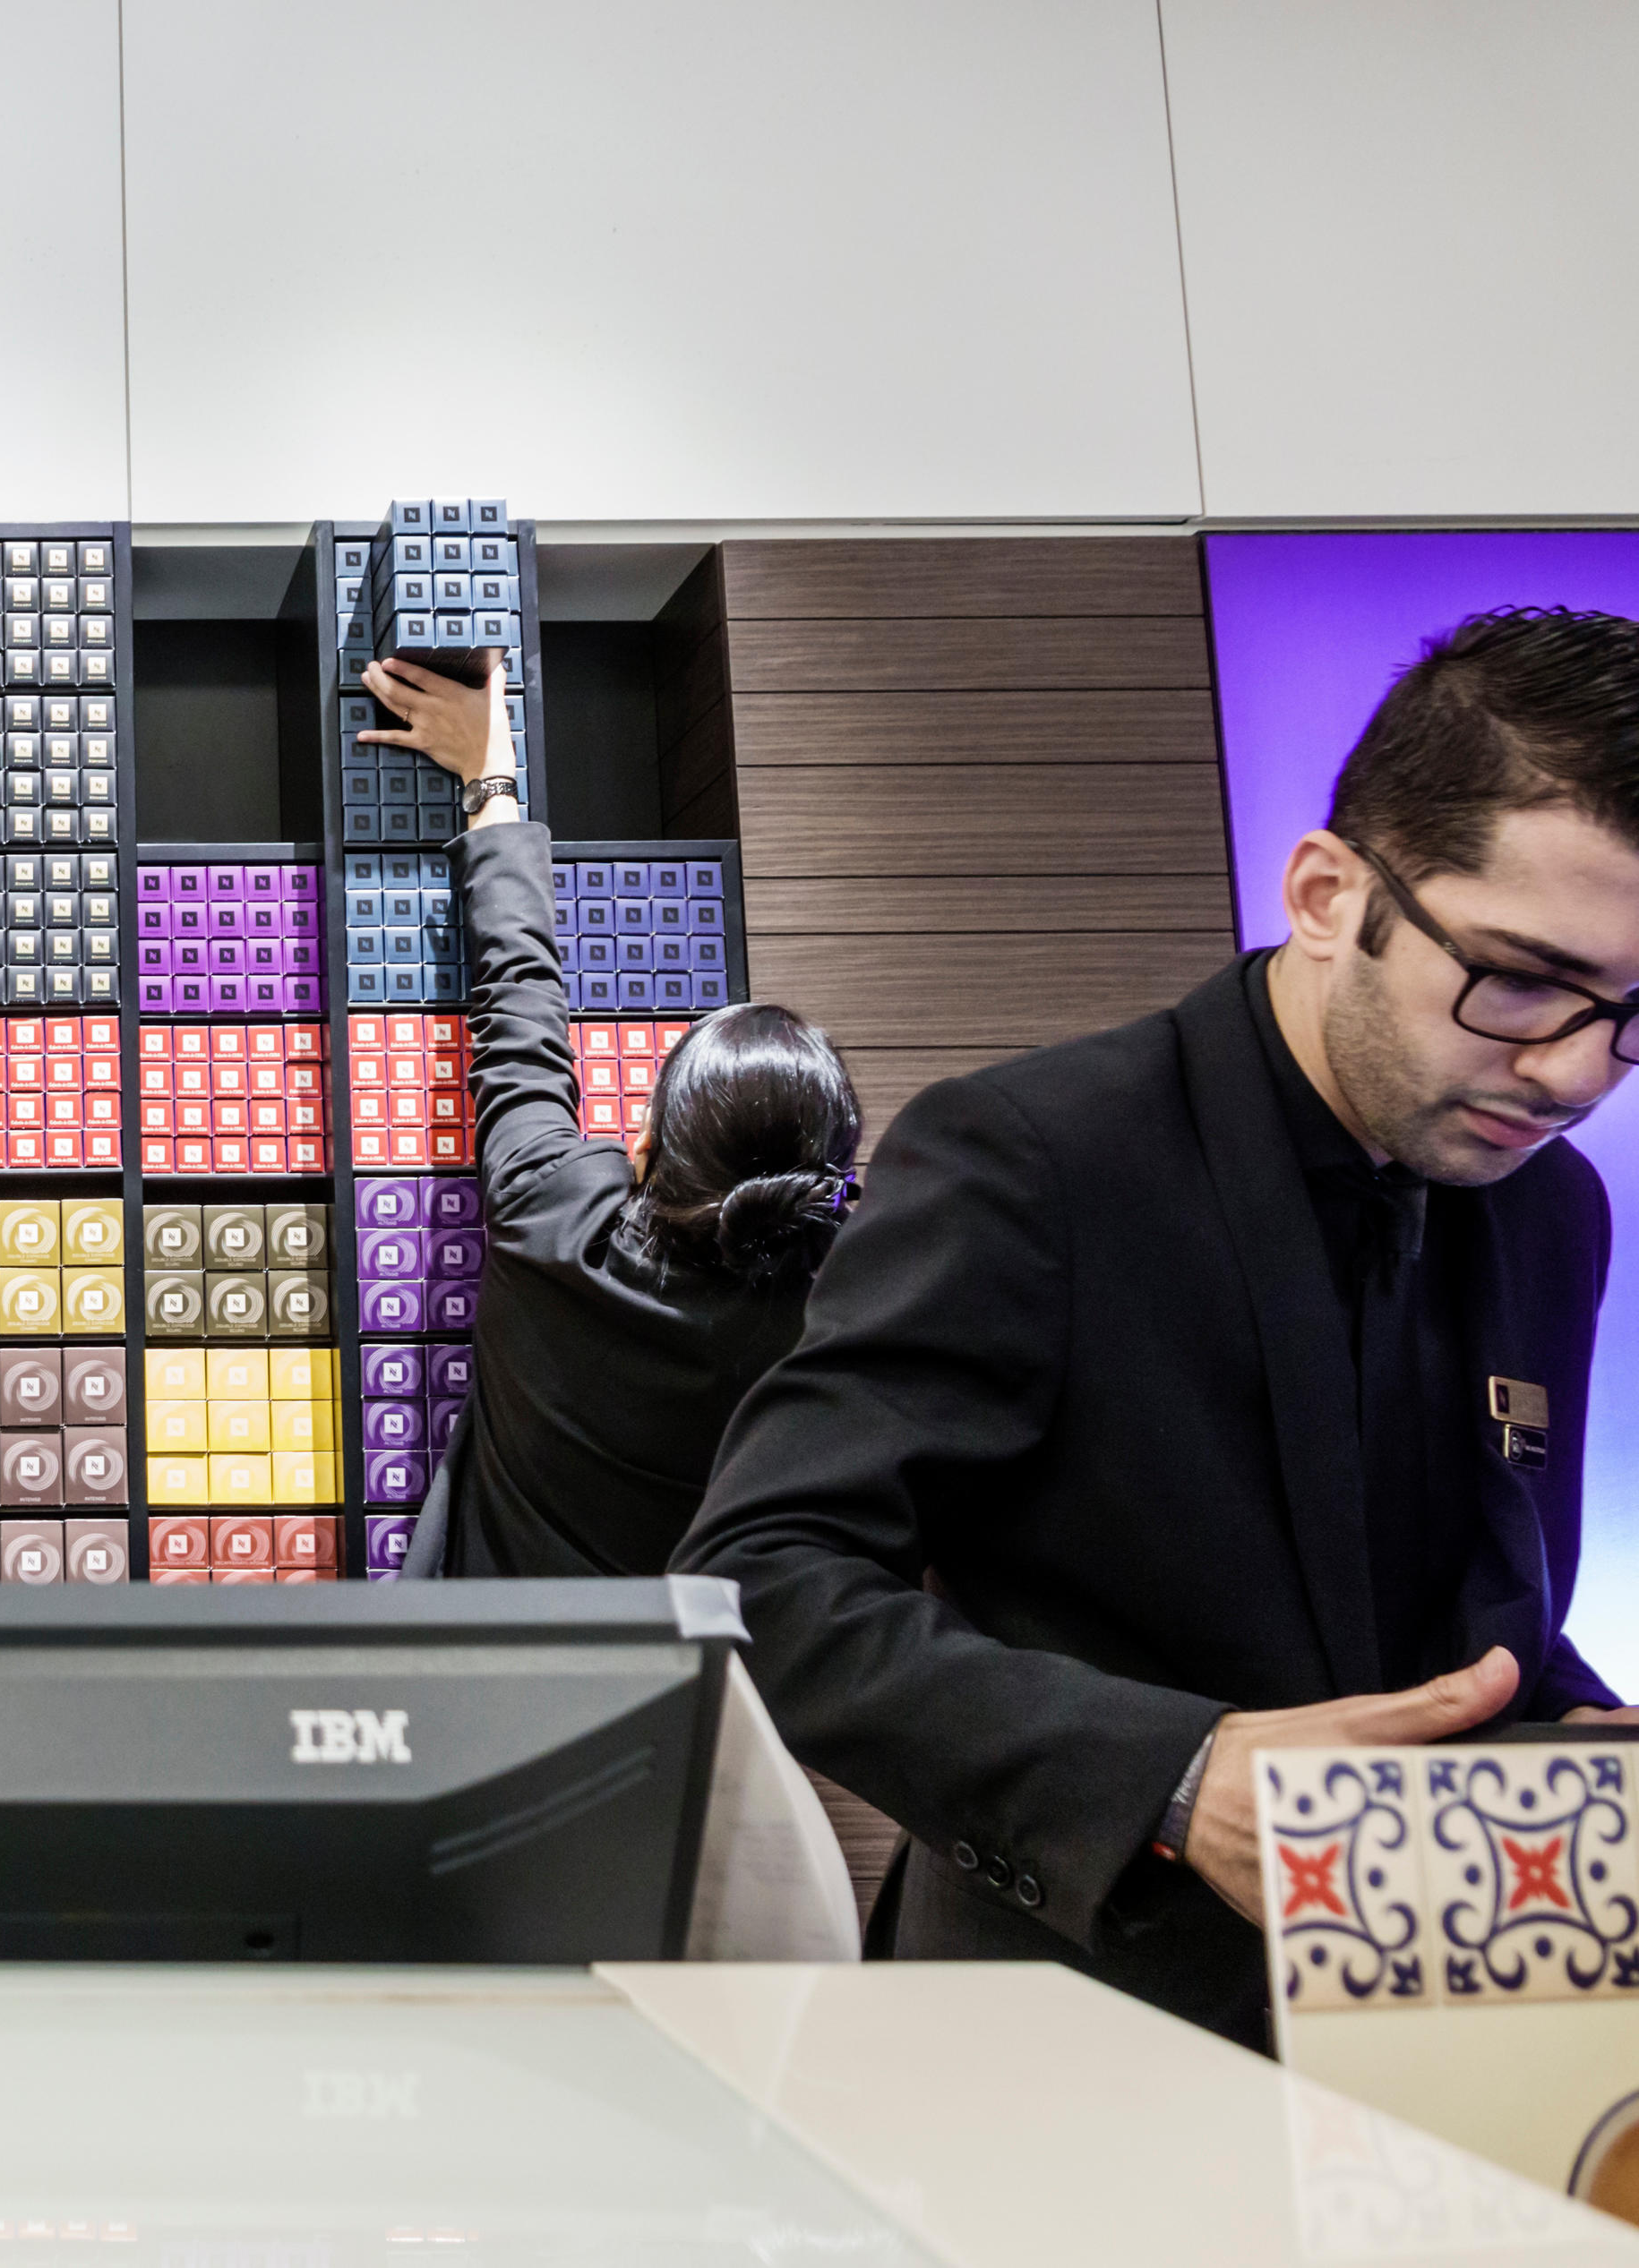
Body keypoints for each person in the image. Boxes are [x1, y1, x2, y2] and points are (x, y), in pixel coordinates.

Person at [674, 605, 1639, 2050]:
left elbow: (1475, 1621)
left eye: (1629, 1014)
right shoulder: (1033, 1156)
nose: (1573, 1072)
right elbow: (763, 1578)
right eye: (1517, 981)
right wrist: (1177, 1776)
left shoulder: (1553, 1210)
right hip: (1069, 2040)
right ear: (1324, 893)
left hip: (1449, 2025)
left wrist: (1584, 1743)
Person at [361, 655, 862, 1578]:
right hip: (699, 1697)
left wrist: (490, 779)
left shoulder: (558, 1217)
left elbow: (519, 1005)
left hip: (478, 1674)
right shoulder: (836, 1338)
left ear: (640, 1145)